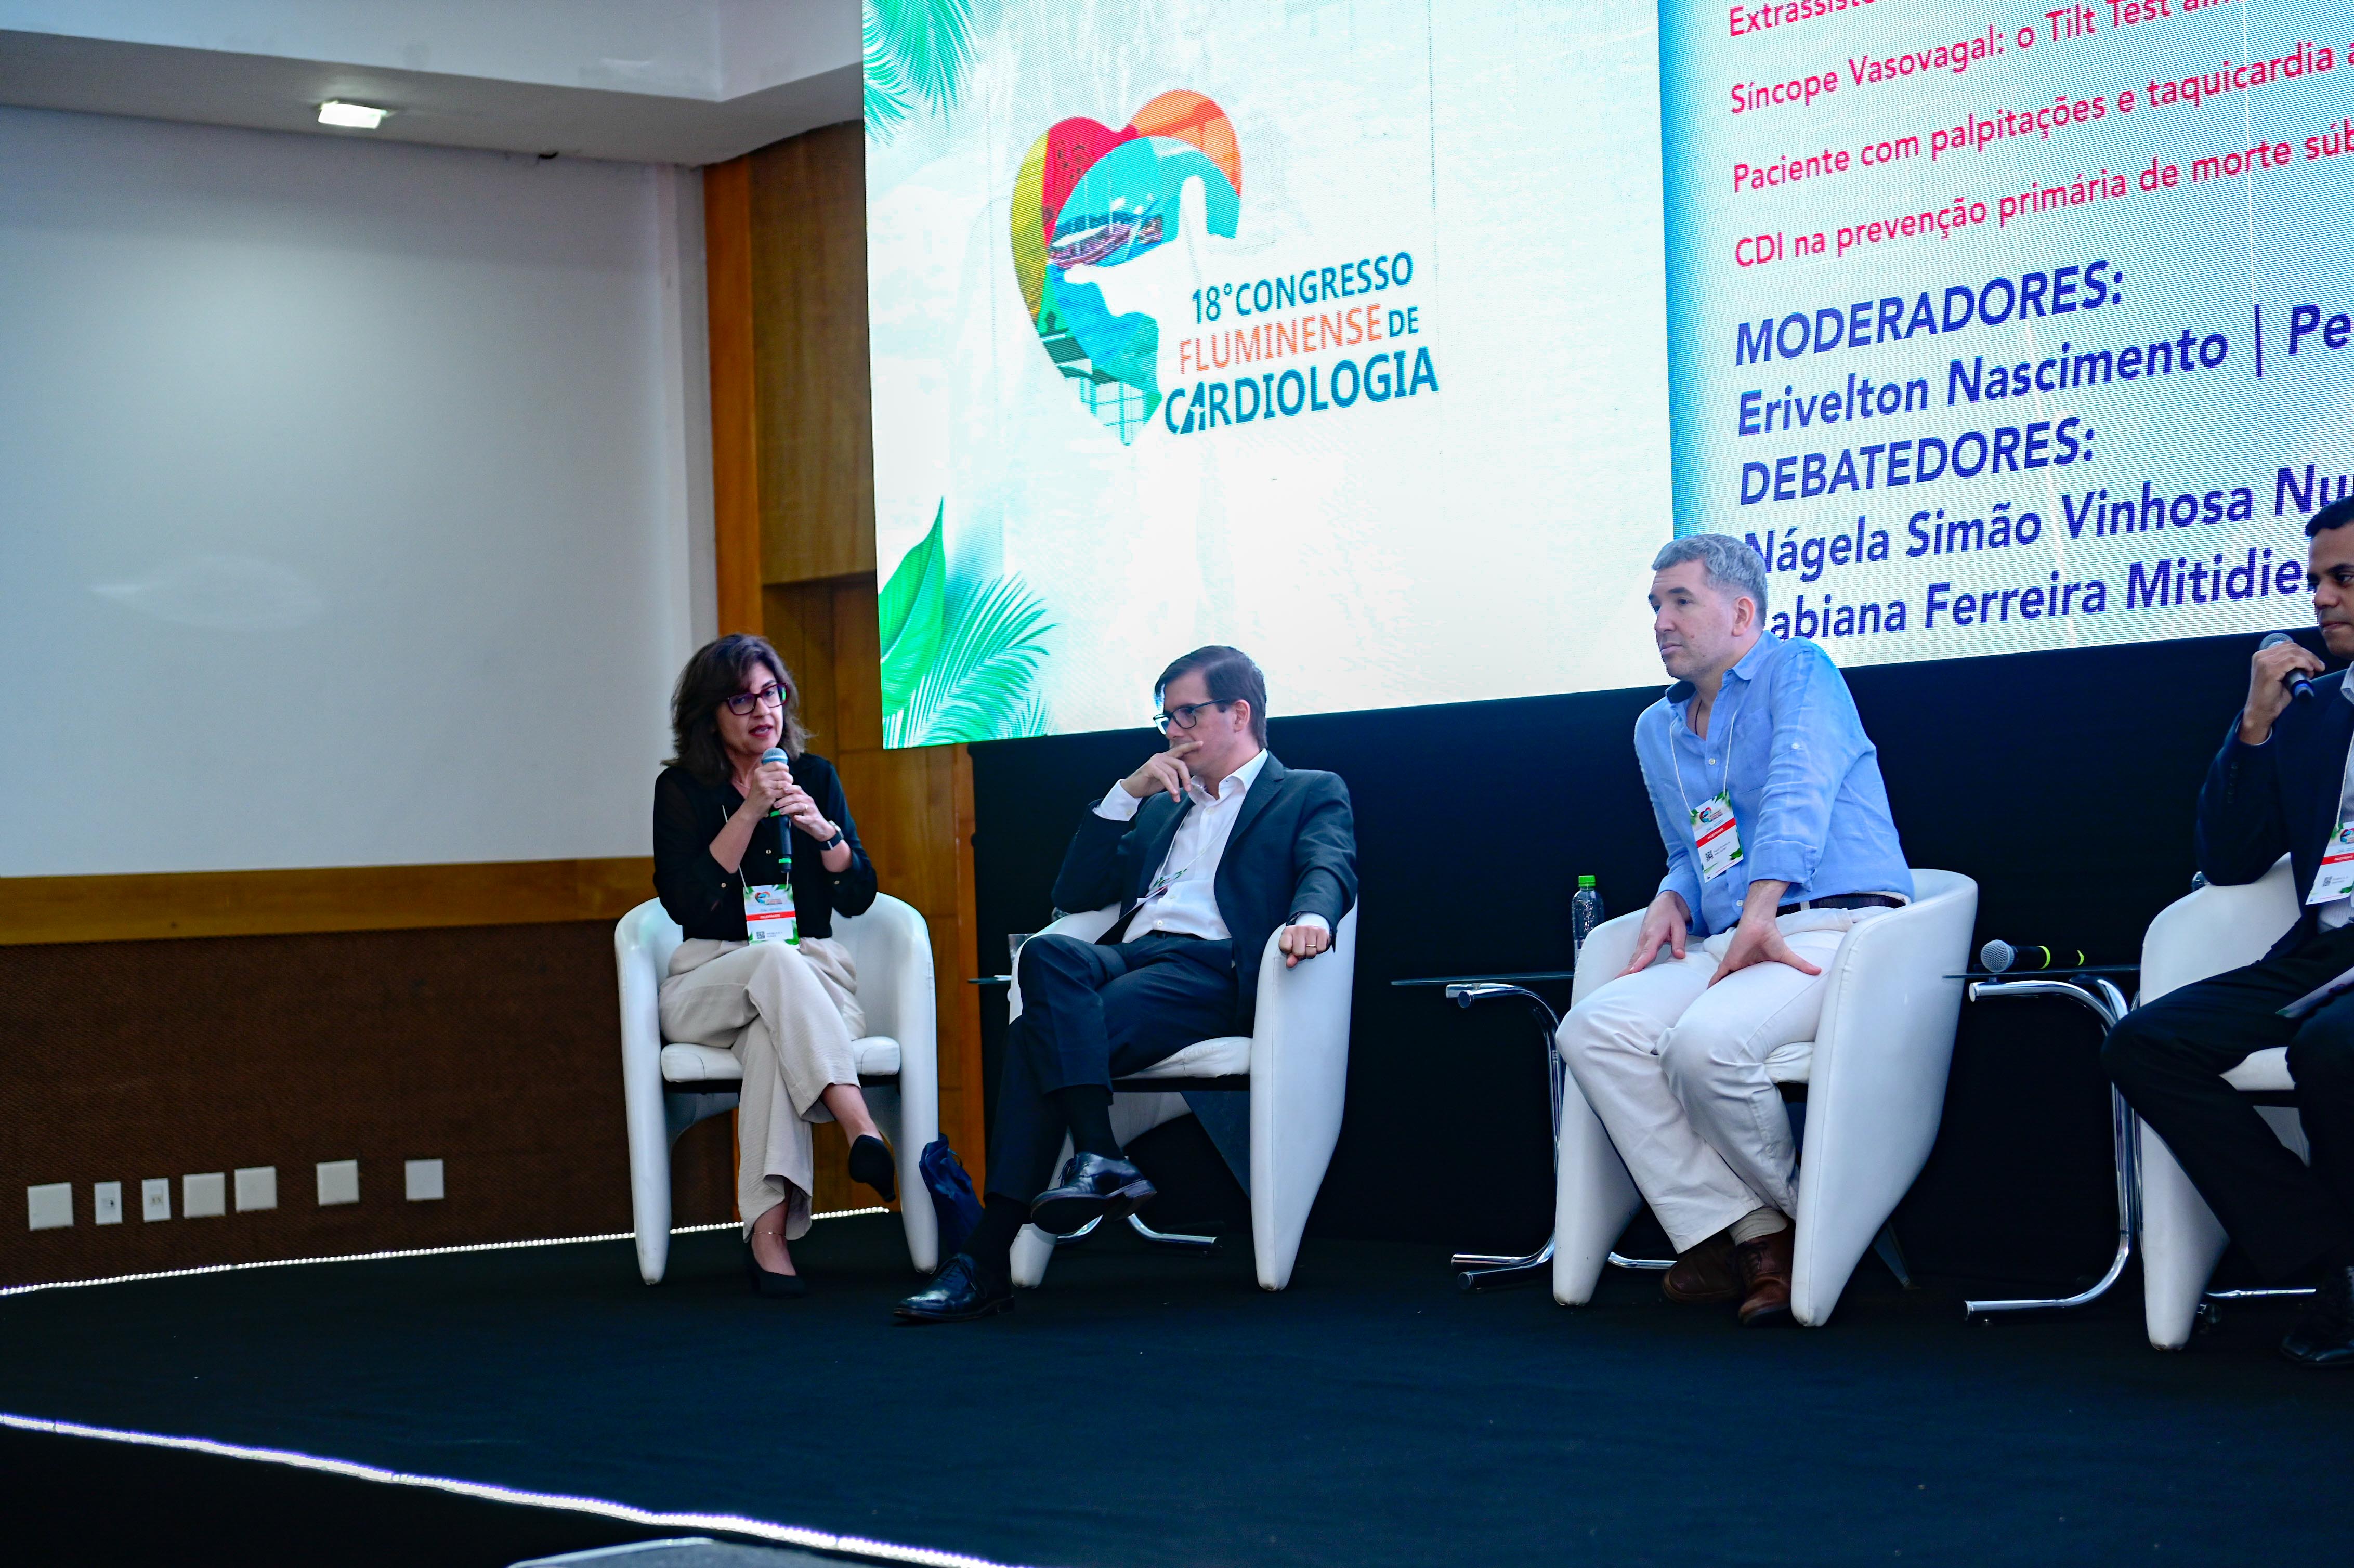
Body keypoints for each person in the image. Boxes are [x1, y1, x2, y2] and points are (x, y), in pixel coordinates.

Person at [896, 645, 1358, 1323]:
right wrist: (1125, 795)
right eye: (1166, 718)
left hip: (1213, 968)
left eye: (1188, 714)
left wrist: (1312, 917)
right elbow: (1074, 894)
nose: (1174, 731)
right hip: (1133, 957)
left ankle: (987, 1256)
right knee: (1046, 955)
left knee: (1034, 1038)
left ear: (1239, 713)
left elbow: (1329, 864)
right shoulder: (1162, 806)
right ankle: (1100, 1155)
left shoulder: (1307, 791)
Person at [1555, 534, 1912, 1326]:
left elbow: (1797, 795)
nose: (1661, 621)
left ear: (1742, 612)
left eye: (1681, 601)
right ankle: (1758, 1231)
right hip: (1732, 935)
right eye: (1656, 605)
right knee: (1594, 1031)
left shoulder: (1800, 670)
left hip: (1834, 924)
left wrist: (1758, 913)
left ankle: (1804, 1235)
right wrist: (1672, 893)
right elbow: (1692, 848)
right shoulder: (1657, 727)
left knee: (1704, 1046)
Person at [2103, 493, 2354, 1366]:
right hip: (2325, 951)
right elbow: (2232, 859)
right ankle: (2330, 1255)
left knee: (2333, 1046)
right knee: (2143, 1043)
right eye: (2315, 581)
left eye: (2344, 577)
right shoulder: (2315, 711)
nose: (2322, 599)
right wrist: (2255, 725)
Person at [652, 634, 897, 1298]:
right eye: (742, 700)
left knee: (770, 1036)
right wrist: (753, 808)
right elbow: (687, 902)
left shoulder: (814, 776)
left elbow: (859, 894)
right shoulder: (681, 789)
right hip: (710, 980)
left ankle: (768, 1240)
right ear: (710, 715)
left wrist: (824, 832)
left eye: (771, 693)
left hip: (811, 980)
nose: (763, 711)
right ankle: (859, 1125)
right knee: (769, 960)